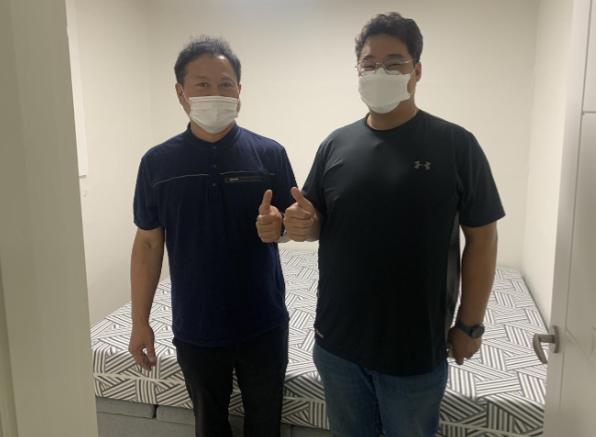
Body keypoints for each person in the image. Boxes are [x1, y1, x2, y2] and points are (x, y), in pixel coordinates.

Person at [283, 12, 505, 437]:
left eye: (393, 63)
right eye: (369, 64)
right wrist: (299, 223)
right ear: (357, 71)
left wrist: (469, 324)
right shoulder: (336, 144)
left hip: (414, 349)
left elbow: (483, 238)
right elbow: (315, 221)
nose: (379, 73)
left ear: (416, 71)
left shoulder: (456, 144)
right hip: (337, 344)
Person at [128, 36, 296, 437]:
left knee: (265, 425)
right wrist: (139, 321)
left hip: (264, 320)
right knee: (209, 426)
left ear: (239, 91)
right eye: (202, 84)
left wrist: (281, 227)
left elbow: (294, 221)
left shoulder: (269, 154)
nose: (215, 93)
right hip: (196, 325)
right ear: (180, 93)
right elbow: (149, 243)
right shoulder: (157, 163)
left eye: (225, 84)